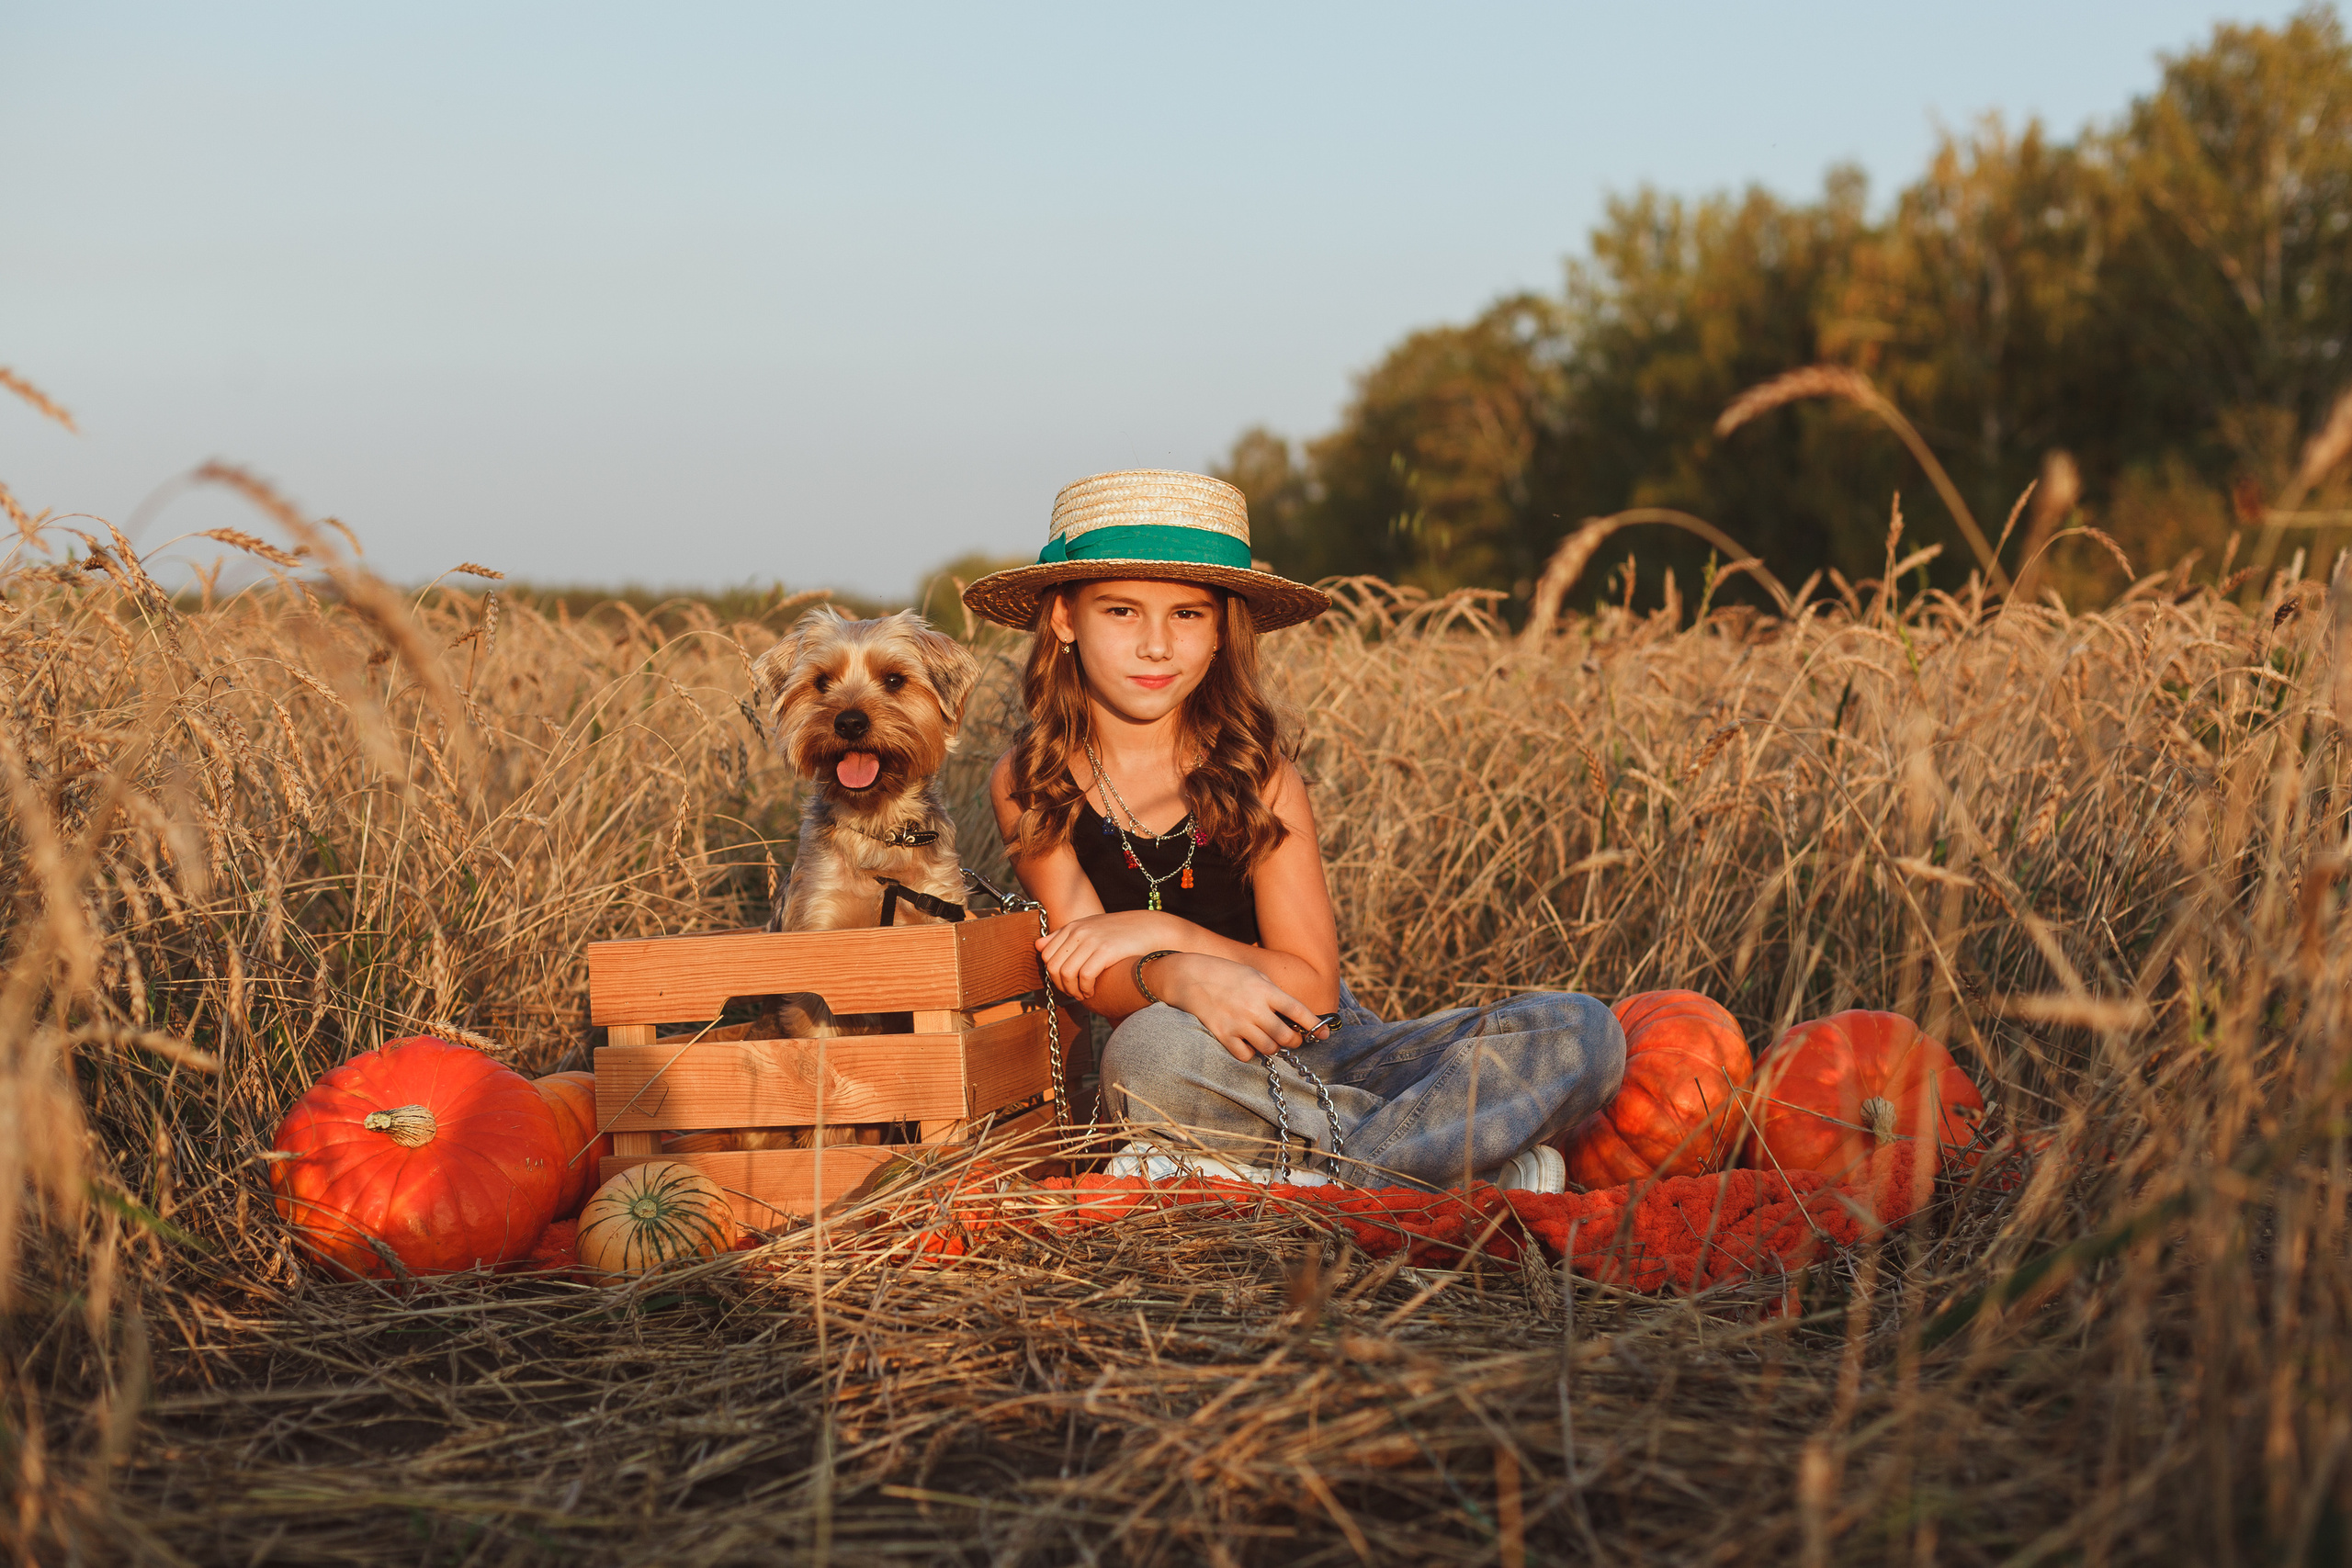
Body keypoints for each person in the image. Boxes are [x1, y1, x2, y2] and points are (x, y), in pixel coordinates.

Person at [963, 469, 1624, 1191]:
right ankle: (1444, 1162)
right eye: (1121, 612)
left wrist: (1178, 941)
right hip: (1192, 1061)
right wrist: (1179, 978)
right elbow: (1090, 970)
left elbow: (1312, 988)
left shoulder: (1260, 774)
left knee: (1584, 1032)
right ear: (1064, 619)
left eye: (1187, 614)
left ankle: (1285, 1170)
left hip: (1320, 1051)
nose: (1156, 645)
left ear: (1221, 631)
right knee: (1143, 1056)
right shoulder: (1031, 782)